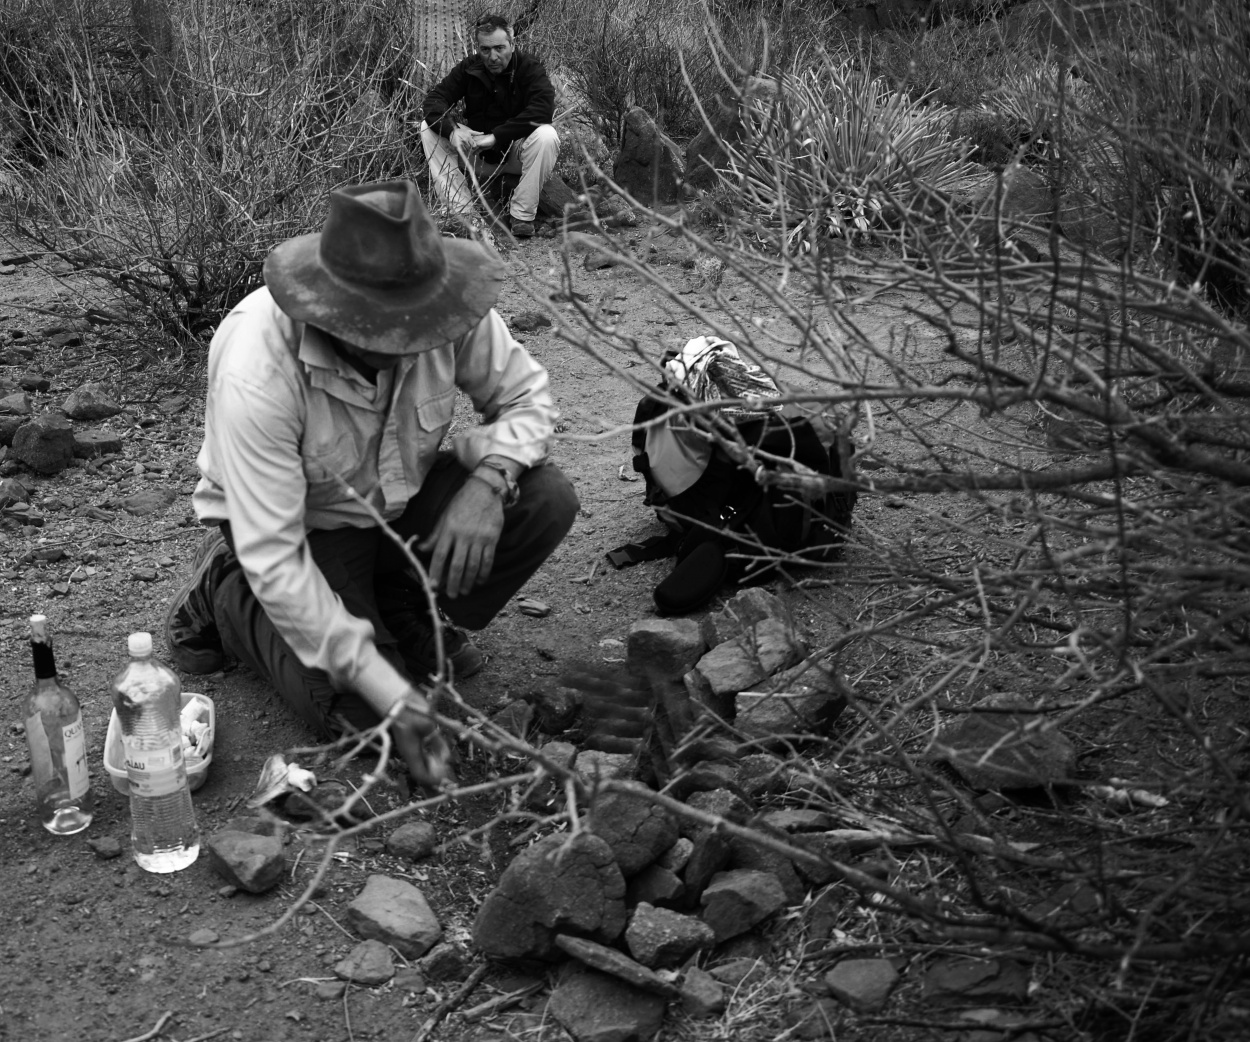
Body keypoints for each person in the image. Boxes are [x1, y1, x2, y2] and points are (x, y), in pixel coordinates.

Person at [165, 179, 578, 786]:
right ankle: (226, 591)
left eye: (417, 323)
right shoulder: (258, 368)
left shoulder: (442, 301)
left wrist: (490, 481)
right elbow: (278, 556)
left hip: (392, 507)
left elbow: (527, 396)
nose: (410, 340)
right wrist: (391, 693)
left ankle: (398, 599)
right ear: (330, 306)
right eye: (385, 327)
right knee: (370, 722)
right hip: (299, 532)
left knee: (543, 498)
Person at [420, 13, 559, 238]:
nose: (492, 57)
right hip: (476, 155)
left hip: (516, 155)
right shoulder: (469, 68)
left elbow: (543, 110)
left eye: (499, 48)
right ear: (478, 48)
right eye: (485, 50)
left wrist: (496, 136)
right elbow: (435, 100)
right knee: (427, 128)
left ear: (512, 44)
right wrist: (453, 130)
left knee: (546, 135)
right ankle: (462, 213)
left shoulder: (529, 68)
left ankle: (521, 216)